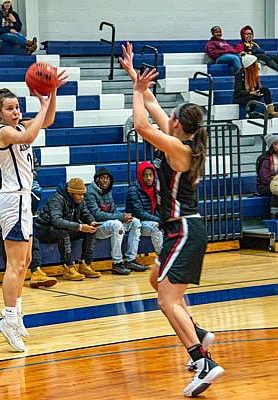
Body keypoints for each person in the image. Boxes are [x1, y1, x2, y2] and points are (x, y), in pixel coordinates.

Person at [119, 42, 223, 398]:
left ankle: (203, 360)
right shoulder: (181, 139)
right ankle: (199, 333)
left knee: (166, 300)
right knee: (156, 281)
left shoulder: (178, 149)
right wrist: (136, 78)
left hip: (184, 229)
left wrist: (137, 91)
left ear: (178, 124)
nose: (169, 117)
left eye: (173, 115)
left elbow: (140, 125)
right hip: (181, 229)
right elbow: (150, 105)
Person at [0, 73, 66, 352]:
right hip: (11, 200)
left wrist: (52, 93)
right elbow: (32, 134)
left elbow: (49, 121)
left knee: (27, 260)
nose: (16, 111)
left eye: (18, 107)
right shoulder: (4, 132)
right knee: (15, 264)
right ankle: (8, 319)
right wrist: (41, 102)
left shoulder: (19, 127)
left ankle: (16, 315)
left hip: (23, 201)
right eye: (10, 108)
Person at [0, 171, 57, 288]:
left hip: (12, 229)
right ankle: (12, 273)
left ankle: (36, 271)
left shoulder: (15, 199)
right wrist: (3, 227)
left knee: (30, 236)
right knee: (6, 238)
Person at [35, 177, 101, 281]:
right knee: (63, 233)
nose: (82, 197)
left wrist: (92, 222)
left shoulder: (80, 200)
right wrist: (79, 227)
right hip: (45, 229)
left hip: (64, 227)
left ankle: (85, 264)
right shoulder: (57, 199)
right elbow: (56, 221)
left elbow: (85, 213)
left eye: (83, 194)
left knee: (90, 231)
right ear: (71, 193)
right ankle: (68, 267)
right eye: (79, 194)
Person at [85, 167, 147, 275]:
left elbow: (113, 209)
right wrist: (120, 217)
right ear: (97, 179)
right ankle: (117, 263)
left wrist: (124, 217)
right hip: (96, 227)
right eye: (102, 178)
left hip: (108, 223)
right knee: (117, 224)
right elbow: (97, 215)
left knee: (135, 222)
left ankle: (130, 260)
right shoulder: (90, 192)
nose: (105, 180)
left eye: (107, 178)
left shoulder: (108, 191)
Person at [125, 161, 163, 256]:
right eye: (145, 175)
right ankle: (163, 258)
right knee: (156, 227)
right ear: (140, 176)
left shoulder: (156, 189)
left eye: (151, 175)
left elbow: (160, 208)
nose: (149, 178)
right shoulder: (133, 190)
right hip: (138, 223)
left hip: (152, 220)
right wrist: (159, 220)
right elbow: (139, 213)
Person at [256, 134, 278, 218]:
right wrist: (275, 179)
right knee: (276, 190)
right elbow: (265, 179)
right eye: (276, 144)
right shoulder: (265, 160)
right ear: (271, 146)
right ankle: (274, 213)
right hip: (264, 186)